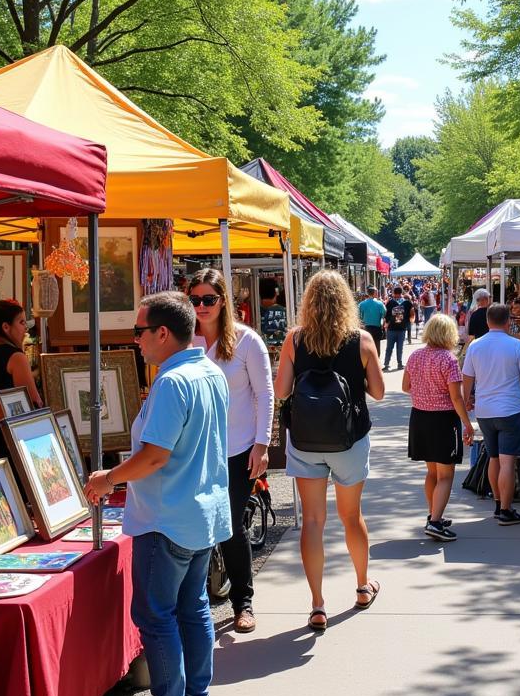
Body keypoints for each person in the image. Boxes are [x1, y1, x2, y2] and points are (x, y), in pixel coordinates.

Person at [85, 292, 231, 696]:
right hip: (198, 514)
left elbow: (154, 457)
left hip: (166, 518)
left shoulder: (174, 382)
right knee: (192, 609)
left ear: (163, 333)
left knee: (157, 614)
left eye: (140, 331)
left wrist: (108, 478)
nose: (137, 341)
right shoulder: (209, 371)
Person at [274, 271, 385, 632]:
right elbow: (380, 393)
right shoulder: (362, 340)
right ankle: (362, 587)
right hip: (349, 440)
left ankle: (318, 604)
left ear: (308, 302)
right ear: (346, 303)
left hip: (306, 440)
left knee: (312, 521)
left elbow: (281, 391)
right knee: (351, 517)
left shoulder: (295, 340)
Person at [189, 268, 273, 634]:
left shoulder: (246, 341)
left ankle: (243, 602)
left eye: (209, 299)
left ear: (223, 300)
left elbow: (265, 394)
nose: (202, 306)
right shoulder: (185, 341)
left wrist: (263, 444)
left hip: (238, 449)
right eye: (195, 300)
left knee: (230, 525)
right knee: (198, 526)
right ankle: (199, 601)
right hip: (196, 450)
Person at [462, 302, 520, 526]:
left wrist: (467, 400)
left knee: (493, 458)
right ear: (508, 322)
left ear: (487, 321)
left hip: (485, 411)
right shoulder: (516, 345)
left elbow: (467, 377)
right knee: (507, 462)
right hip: (510, 409)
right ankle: (506, 508)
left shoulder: (475, 345)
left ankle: (497, 502)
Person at [403, 314, 475, 541]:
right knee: (446, 475)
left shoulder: (415, 356)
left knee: (432, 472)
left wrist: (424, 391)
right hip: (443, 420)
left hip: (420, 418)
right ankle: (435, 522)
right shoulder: (449, 359)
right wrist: (467, 424)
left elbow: (406, 386)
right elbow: (456, 397)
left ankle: (433, 514)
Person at [0, 299, 42, 459]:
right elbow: (34, 401)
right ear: (6, 327)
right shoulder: (16, 357)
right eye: (21, 322)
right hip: (10, 438)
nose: (26, 329)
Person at [383, 286, 413, 371]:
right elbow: (411, 314)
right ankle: (399, 364)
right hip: (402, 329)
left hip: (391, 329)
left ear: (394, 293)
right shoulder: (406, 303)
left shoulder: (390, 303)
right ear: (401, 293)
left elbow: (386, 315)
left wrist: (386, 324)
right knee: (400, 348)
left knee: (389, 348)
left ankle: (386, 364)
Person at [358, 286, 386, 358]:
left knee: (366, 345)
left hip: (366, 328)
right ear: (374, 293)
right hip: (376, 327)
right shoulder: (380, 304)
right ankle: (377, 360)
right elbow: (384, 313)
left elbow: (359, 316)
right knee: (377, 345)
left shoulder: (362, 304)